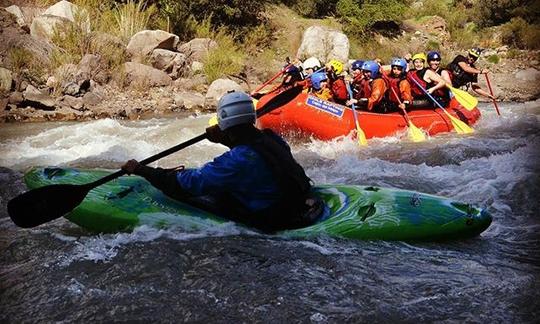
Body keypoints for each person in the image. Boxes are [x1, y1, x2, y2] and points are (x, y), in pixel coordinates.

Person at [121, 91, 322, 233]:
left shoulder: (235, 160)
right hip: (297, 204)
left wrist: (143, 170)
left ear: (223, 121)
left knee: (194, 187)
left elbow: (189, 184)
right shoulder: (270, 138)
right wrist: (223, 137)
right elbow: (247, 146)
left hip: (270, 217)